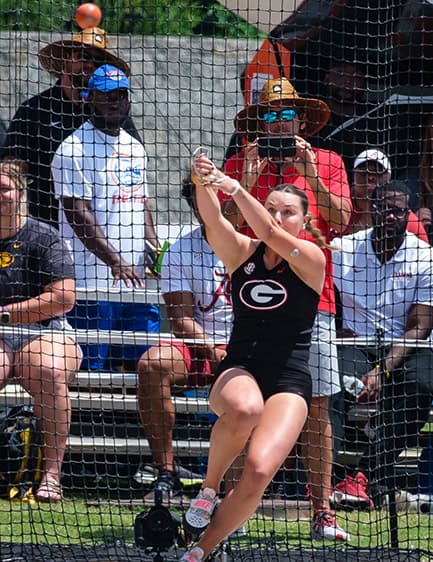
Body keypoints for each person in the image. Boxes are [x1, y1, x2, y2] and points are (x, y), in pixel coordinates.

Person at [179, 152, 333, 562]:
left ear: (303, 222)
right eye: (273, 210)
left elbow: (266, 229)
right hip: (240, 368)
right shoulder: (243, 253)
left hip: (290, 377)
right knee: (245, 410)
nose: (279, 218)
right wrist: (202, 180)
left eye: (289, 213)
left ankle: (199, 551)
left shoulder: (312, 259)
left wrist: (235, 188)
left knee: (260, 470)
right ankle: (208, 489)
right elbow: (214, 221)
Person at [223, 77, 351, 541]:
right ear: (260, 123)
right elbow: (224, 230)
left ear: (300, 120)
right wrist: (249, 181)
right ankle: (233, 506)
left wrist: (311, 173)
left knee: (316, 408)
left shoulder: (329, 160)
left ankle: (323, 511)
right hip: (253, 301)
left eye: (287, 114)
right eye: (271, 115)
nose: (280, 121)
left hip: (313, 302)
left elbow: (340, 220)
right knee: (245, 405)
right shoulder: (241, 161)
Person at [332, 180, 433, 509]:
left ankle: (368, 474)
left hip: (404, 346)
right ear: (370, 210)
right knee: (329, 380)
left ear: (409, 215)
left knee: (420, 385)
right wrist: (337, 331)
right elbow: (323, 302)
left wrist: (381, 371)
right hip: (355, 342)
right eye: (381, 208)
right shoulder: (343, 249)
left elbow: (420, 327)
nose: (388, 216)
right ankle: (325, 478)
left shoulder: (424, 256)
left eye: (397, 210)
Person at [52, 64, 160, 371]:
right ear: (88, 99)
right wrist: (115, 262)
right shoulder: (73, 149)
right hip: (92, 283)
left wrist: (154, 249)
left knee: (137, 366)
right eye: (105, 95)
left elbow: (142, 203)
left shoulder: (134, 146)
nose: (115, 102)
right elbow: (77, 213)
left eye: (121, 95)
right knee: (90, 368)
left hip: (135, 282)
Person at [136, 178, 232, 495]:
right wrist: (212, 351)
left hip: (251, 345)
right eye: (199, 198)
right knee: (152, 364)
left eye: (213, 195)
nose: (208, 203)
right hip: (204, 345)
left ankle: (246, 481)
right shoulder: (181, 250)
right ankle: (166, 471)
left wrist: (241, 352)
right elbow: (180, 319)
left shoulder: (254, 241)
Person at [0, 158, 82, 502]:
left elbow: (62, 299)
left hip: (45, 331)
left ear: (20, 192)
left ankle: (51, 474)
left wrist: (5, 314)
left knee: (46, 370)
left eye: (4, 188)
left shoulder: (43, 236)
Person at [1, 26, 139, 229]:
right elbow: (12, 167)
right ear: (67, 57)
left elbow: (135, 161)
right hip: (49, 228)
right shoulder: (35, 109)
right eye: (83, 56)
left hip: (109, 229)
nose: (90, 64)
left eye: (98, 60)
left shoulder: (111, 111)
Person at [346, 148, 429, 242]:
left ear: (389, 178)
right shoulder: (338, 209)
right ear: (354, 176)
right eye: (363, 172)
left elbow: (424, 252)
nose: (370, 177)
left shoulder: (405, 219)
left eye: (378, 172)